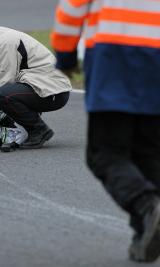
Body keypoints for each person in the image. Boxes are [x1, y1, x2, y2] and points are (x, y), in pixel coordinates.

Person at [51, 0, 160, 262]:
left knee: (105, 154)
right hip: (156, 64)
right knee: (147, 153)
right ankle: (144, 233)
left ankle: (149, 207)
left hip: (113, 61)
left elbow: (71, 8)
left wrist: (65, 56)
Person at [0, 18, 72, 151]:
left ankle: (39, 130)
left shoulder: (3, 43)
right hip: (45, 87)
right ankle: (25, 128)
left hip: (54, 91)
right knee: (0, 102)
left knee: (2, 95)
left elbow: (3, 83)